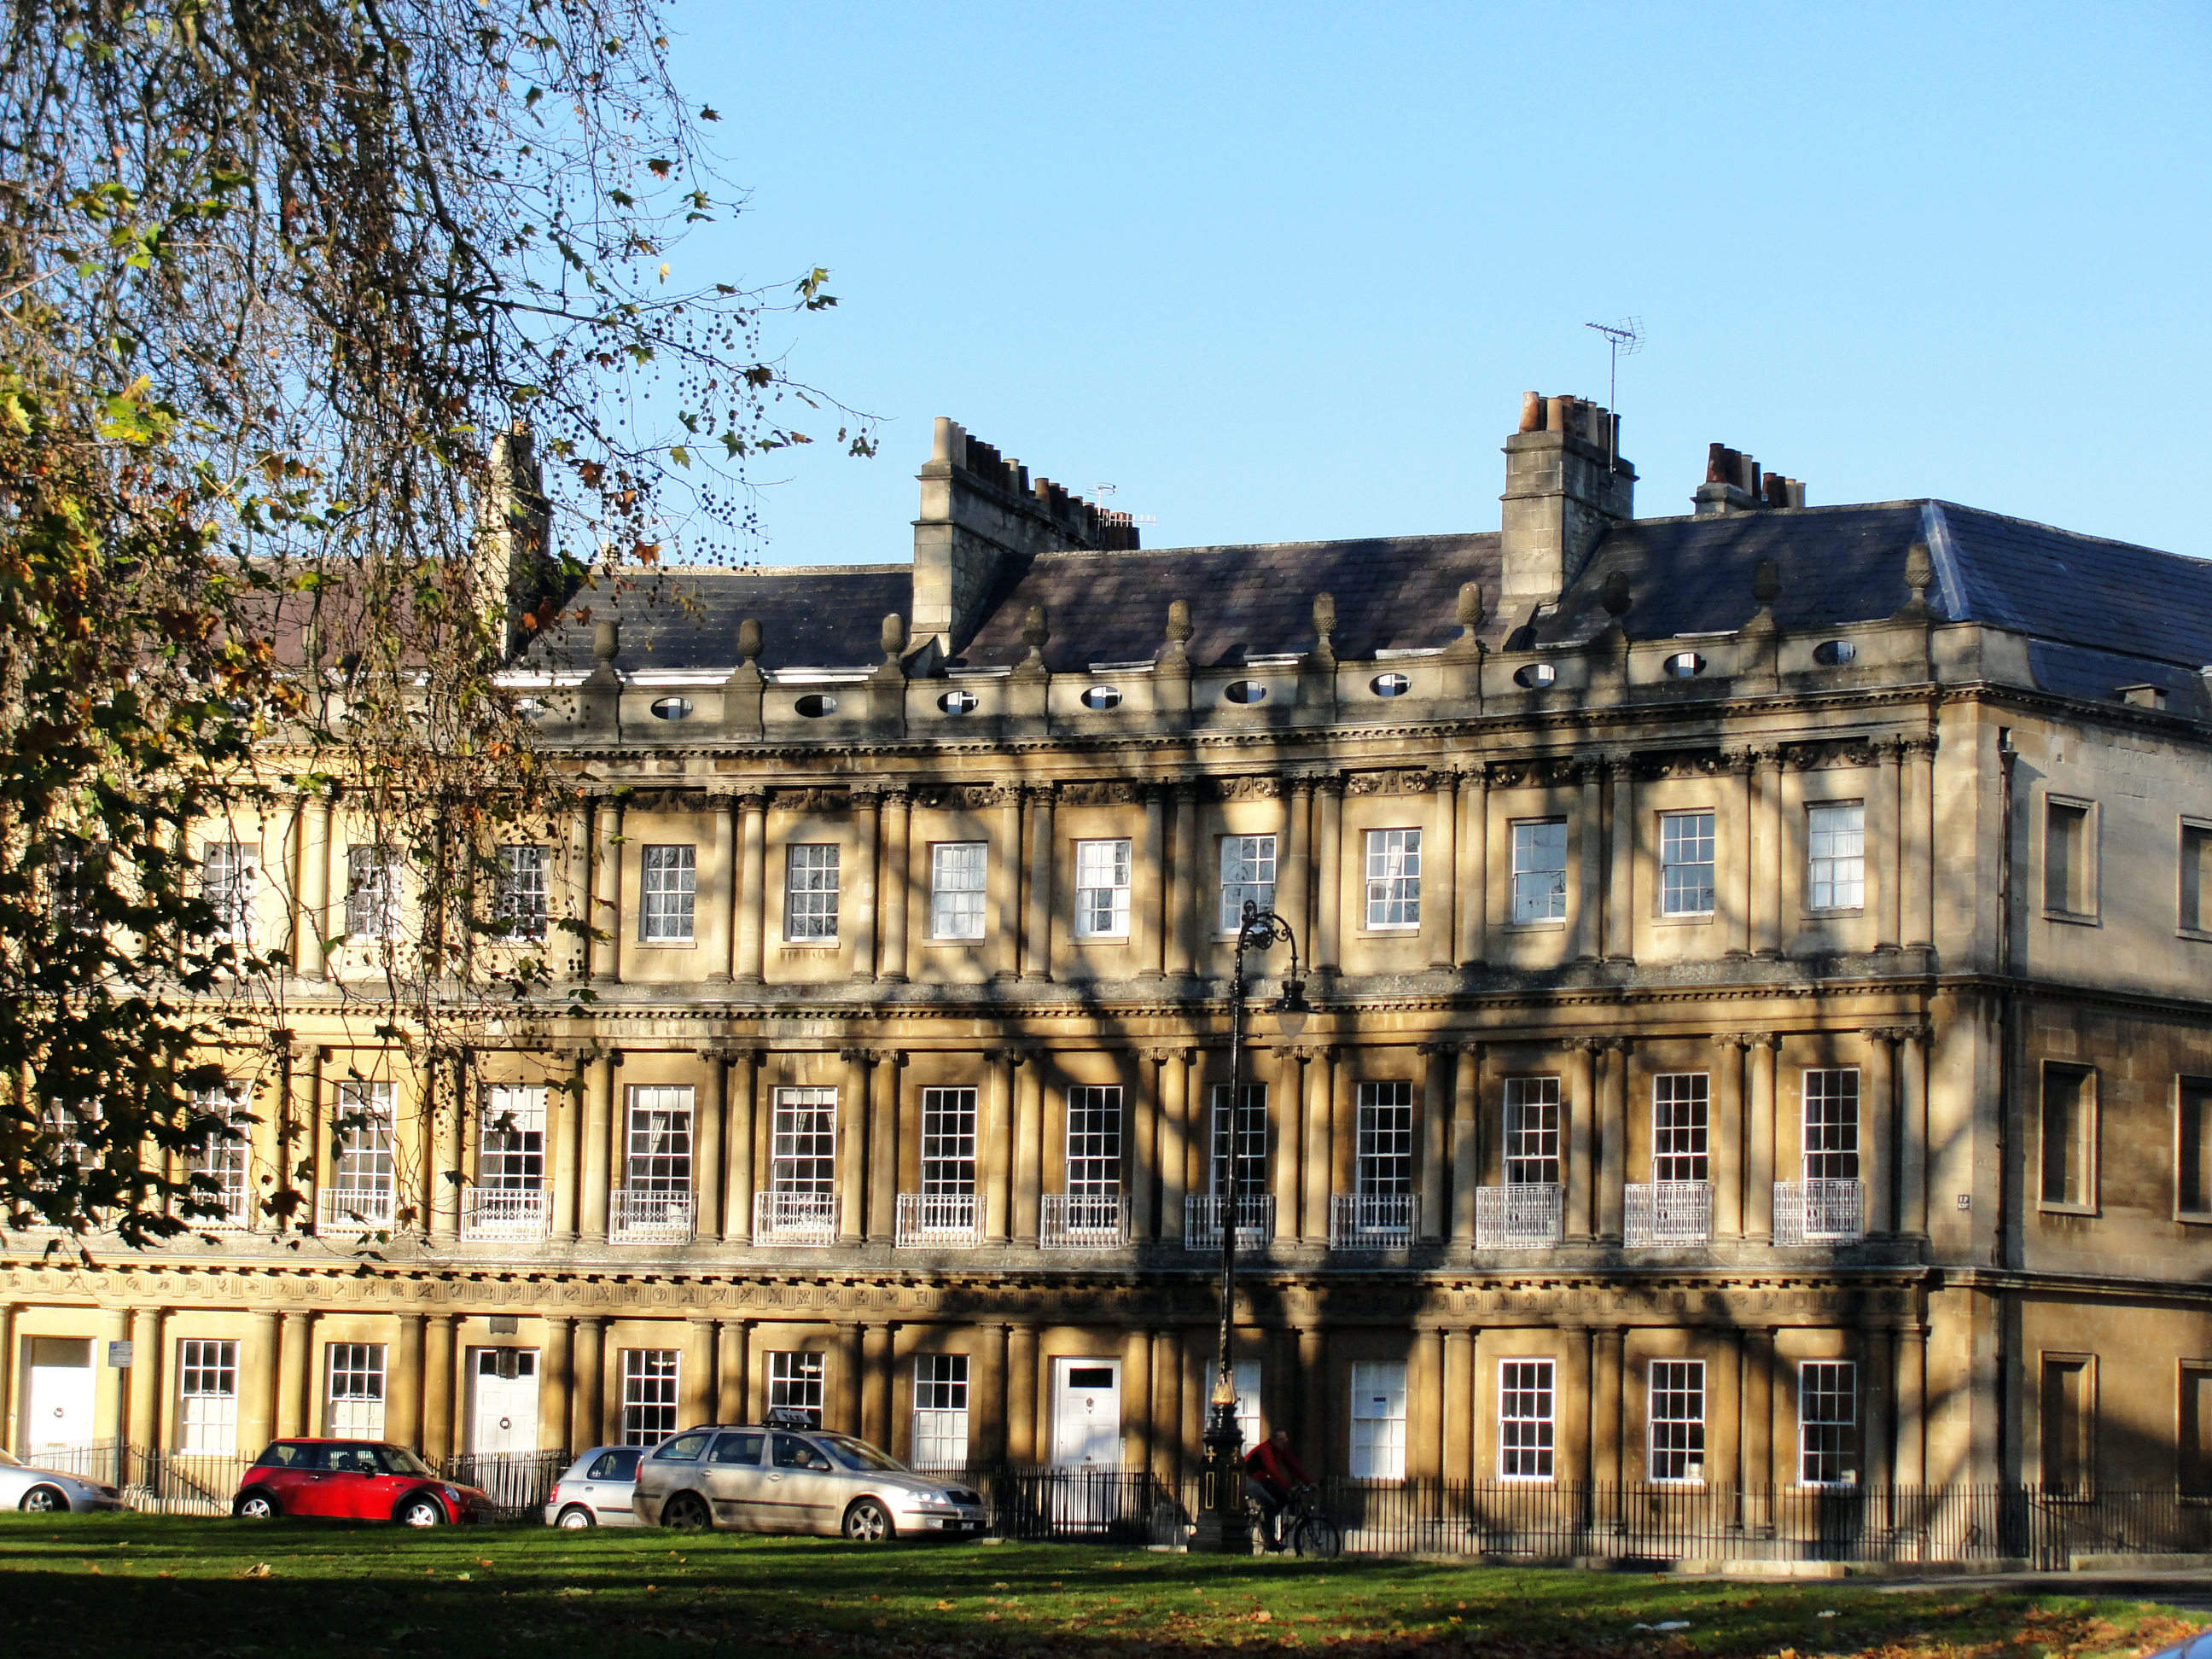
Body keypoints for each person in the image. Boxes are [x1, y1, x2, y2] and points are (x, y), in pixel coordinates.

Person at [1243, 1428, 1313, 1551]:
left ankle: (1265, 1520)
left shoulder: (1281, 1450)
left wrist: (1309, 1483)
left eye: (1286, 1438)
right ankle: (1270, 1539)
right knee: (1270, 1503)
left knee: (1284, 1498)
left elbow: (1294, 1466)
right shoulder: (1265, 1449)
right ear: (1274, 1439)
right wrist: (1289, 1488)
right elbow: (1272, 1471)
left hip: (1263, 1479)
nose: (1286, 1441)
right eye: (1282, 1438)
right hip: (1248, 1479)